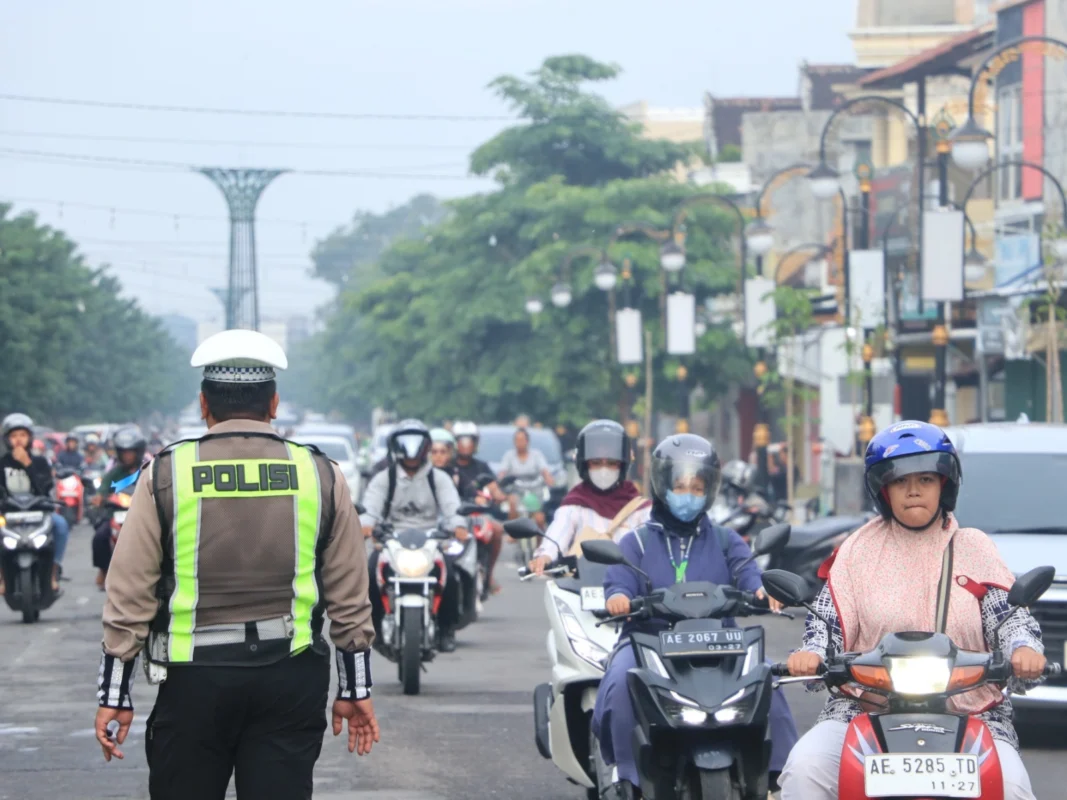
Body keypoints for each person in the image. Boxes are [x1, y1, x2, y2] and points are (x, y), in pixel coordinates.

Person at [94, 329, 379, 800]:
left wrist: (114, 694)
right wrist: (355, 689)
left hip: (193, 680)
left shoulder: (166, 473)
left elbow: (129, 592)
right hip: (291, 678)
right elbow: (350, 594)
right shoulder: (320, 474)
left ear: (204, 404)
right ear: (274, 404)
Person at [779, 420, 1045, 800]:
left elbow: (1009, 616)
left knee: (1012, 785)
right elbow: (827, 623)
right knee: (804, 769)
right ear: (883, 489)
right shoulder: (857, 550)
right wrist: (812, 653)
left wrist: (1023, 649)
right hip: (863, 709)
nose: (914, 490)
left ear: (945, 484)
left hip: (968, 712)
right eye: (901, 480)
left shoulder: (975, 547)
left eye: (926, 479)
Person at [592, 434, 799, 796]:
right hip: (648, 641)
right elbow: (619, 581)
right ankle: (626, 776)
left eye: (697, 487)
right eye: (680, 486)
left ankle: (781, 776)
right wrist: (619, 598)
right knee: (621, 683)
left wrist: (763, 592)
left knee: (769, 680)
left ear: (710, 490)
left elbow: (749, 574)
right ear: (662, 487)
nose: (688, 495)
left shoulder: (726, 540)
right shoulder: (635, 542)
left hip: (722, 641)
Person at [359, 419, 468, 652]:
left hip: (431, 539)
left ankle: (446, 629)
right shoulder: (384, 478)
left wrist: (458, 525)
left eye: (416, 442)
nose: (411, 450)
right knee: (370, 571)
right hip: (391, 539)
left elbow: (452, 507)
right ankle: (375, 627)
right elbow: (370, 507)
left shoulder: (438, 478)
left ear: (425, 446)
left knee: (450, 574)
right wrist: (366, 525)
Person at [528, 419, 650, 575]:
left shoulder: (640, 508)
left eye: (611, 463)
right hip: (580, 585)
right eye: (596, 462)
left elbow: (654, 546)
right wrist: (545, 557)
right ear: (585, 464)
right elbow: (559, 531)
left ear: (622, 465)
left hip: (629, 586)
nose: (604, 469)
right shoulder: (575, 504)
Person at [0, 413, 71, 593]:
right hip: (8, 514)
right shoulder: (2, 463)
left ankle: (53, 572)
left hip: (39, 512)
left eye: (23, 435)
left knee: (60, 525)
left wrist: (27, 464)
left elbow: (44, 488)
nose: (18, 440)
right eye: (14, 436)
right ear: (7, 439)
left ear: (30, 438)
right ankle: (2, 576)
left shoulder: (40, 462)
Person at [452, 421, 508, 596]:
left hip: (478, 515)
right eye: (462, 440)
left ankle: (489, 574)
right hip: (453, 516)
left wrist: (498, 495)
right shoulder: (449, 468)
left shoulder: (481, 467)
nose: (465, 445)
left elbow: (493, 487)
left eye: (469, 440)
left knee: (497, 530)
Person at [90, 424, 147, 588]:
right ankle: (103, 570)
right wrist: (99, 498)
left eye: (130, 452)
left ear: (138, 451)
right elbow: (102, 489)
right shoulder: (114, 473)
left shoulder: (148, 470)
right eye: (123, 452)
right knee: (100, 537)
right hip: (115, 515)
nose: (127, 456)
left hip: (142, 516)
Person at [498, 427, 555, 529]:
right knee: (512, 502)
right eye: (517, 440)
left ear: (527, 441)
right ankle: (513, 530)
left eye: (522, 440)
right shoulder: (509, 456)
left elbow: (544, 470)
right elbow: (502, 472)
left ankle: (540, 536)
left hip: (535, 491)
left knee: (539, 519)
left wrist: (549, 479)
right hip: (517, 490)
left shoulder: (536, 455)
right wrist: (500, 482)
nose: (519, 443)